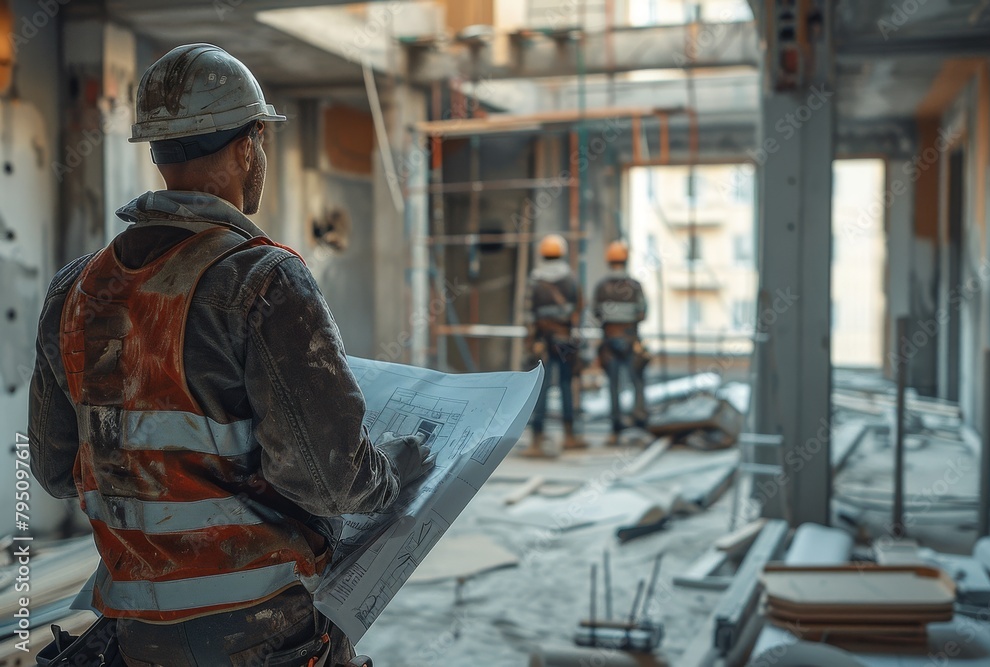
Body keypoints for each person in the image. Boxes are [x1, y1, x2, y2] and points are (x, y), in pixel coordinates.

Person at [27, 43, 433, 667]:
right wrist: (394, 476)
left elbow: (56, 472)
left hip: (136, 634)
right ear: (248, 147)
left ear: (159, 151)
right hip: (262, 631)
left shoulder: (76, 289)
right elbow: (327, 478)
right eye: (261, 141)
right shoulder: (263, 281)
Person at [523, 233, 584, 456]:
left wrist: (531, 341)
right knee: (567, 385)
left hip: (543, 342)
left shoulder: (535, 279)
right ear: (562, 253)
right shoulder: (571, 279)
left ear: (542, 254)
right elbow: (578, 310)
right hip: (565, 341)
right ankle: (569, 435)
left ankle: (537, 441)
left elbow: (528, 313)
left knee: (541, 388)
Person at [593, 241, 649, 445]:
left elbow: (596, 313)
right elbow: (642, 313)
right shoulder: (634, 286)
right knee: (637, 383)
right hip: (631, 340)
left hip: (609, 342)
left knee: (614, 386)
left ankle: (616, 429)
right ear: (626, 260)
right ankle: (639, 425)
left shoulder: (601, 287)